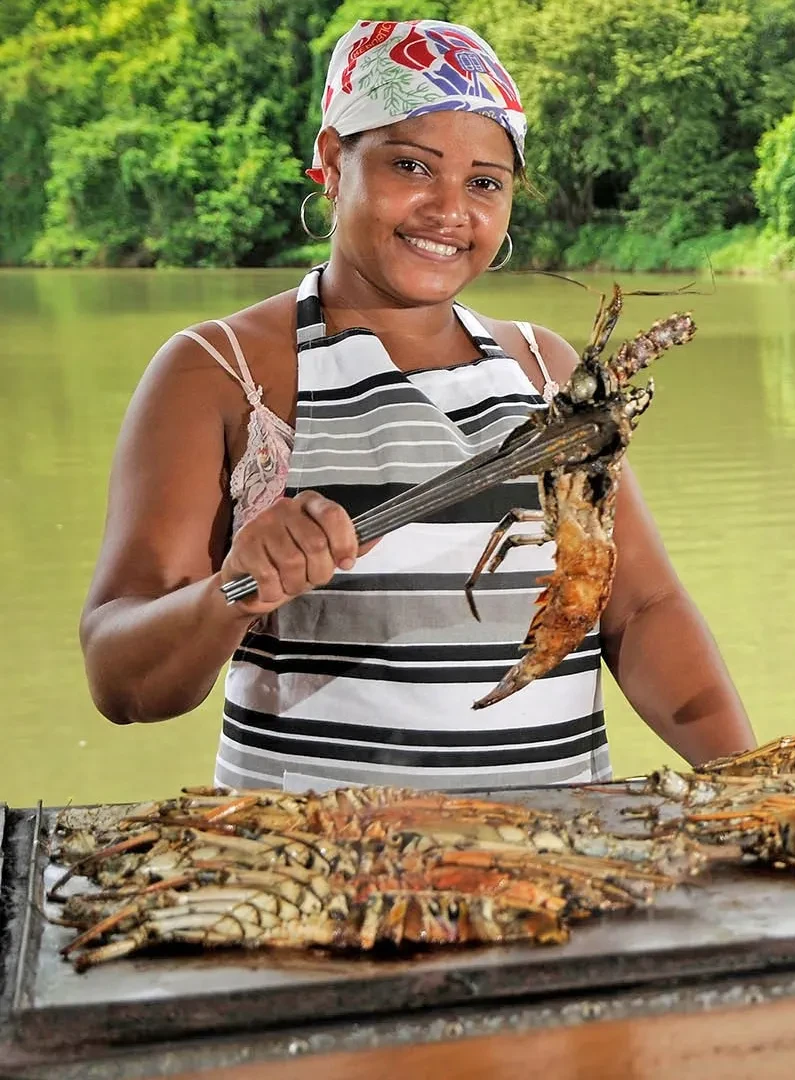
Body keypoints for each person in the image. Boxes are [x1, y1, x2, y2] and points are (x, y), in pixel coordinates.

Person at [78, 20, 757, 792]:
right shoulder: (223, 373)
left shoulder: (546, 368)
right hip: (313, 874)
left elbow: (641, 610)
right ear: (333, 163)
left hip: (554, 868)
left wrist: (755, 786)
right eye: (411, 165)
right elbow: (120, 682)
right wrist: (235, 589)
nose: (449, 210)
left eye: (485, 182)